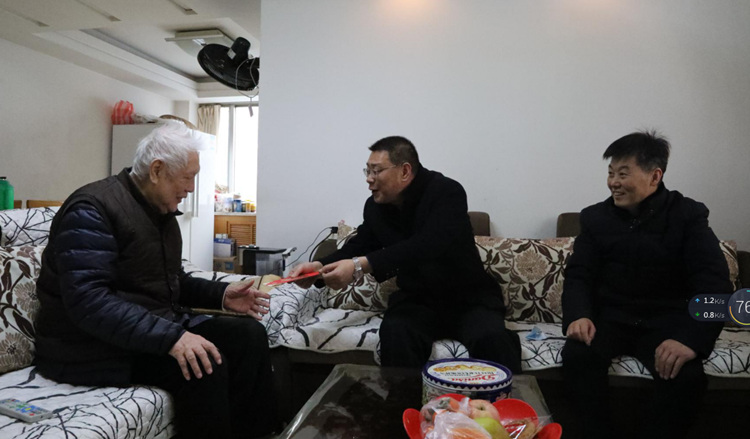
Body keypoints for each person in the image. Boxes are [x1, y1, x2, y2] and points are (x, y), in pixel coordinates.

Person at [34, 121, 278, 439]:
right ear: (157, 170)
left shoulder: (159, 211)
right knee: (204, 364)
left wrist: (222, 295)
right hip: (86, 348)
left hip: (142, 332)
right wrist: (172, 338)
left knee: (248, 335)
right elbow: (89, 302)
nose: (192, 188)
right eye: (188, 177)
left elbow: (169, 281)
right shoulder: (91, 210)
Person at [290, 136, 521, 372]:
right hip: (418, 299)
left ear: (405, 171)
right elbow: (361, 244)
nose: (369, 179)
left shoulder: (447, 192)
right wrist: (318, 266)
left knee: (492, 339)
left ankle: (506, 397)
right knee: (396, 332)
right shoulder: (376, 206)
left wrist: (360, 265)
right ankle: (402, 397)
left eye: (376, 171)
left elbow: (428, 244)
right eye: (367, 171)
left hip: (469, 298)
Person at [561, 131, 732, 439]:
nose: (613, 182)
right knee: (577, 357)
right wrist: (579, 315)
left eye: (623, 174)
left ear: (655, 176)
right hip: (610, 319)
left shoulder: (688, 216)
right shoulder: (595, 218)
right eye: (611, 173)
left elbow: (716, 285)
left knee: (686, 377)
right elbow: (579, 275)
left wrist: (691, 339)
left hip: (667, 322)